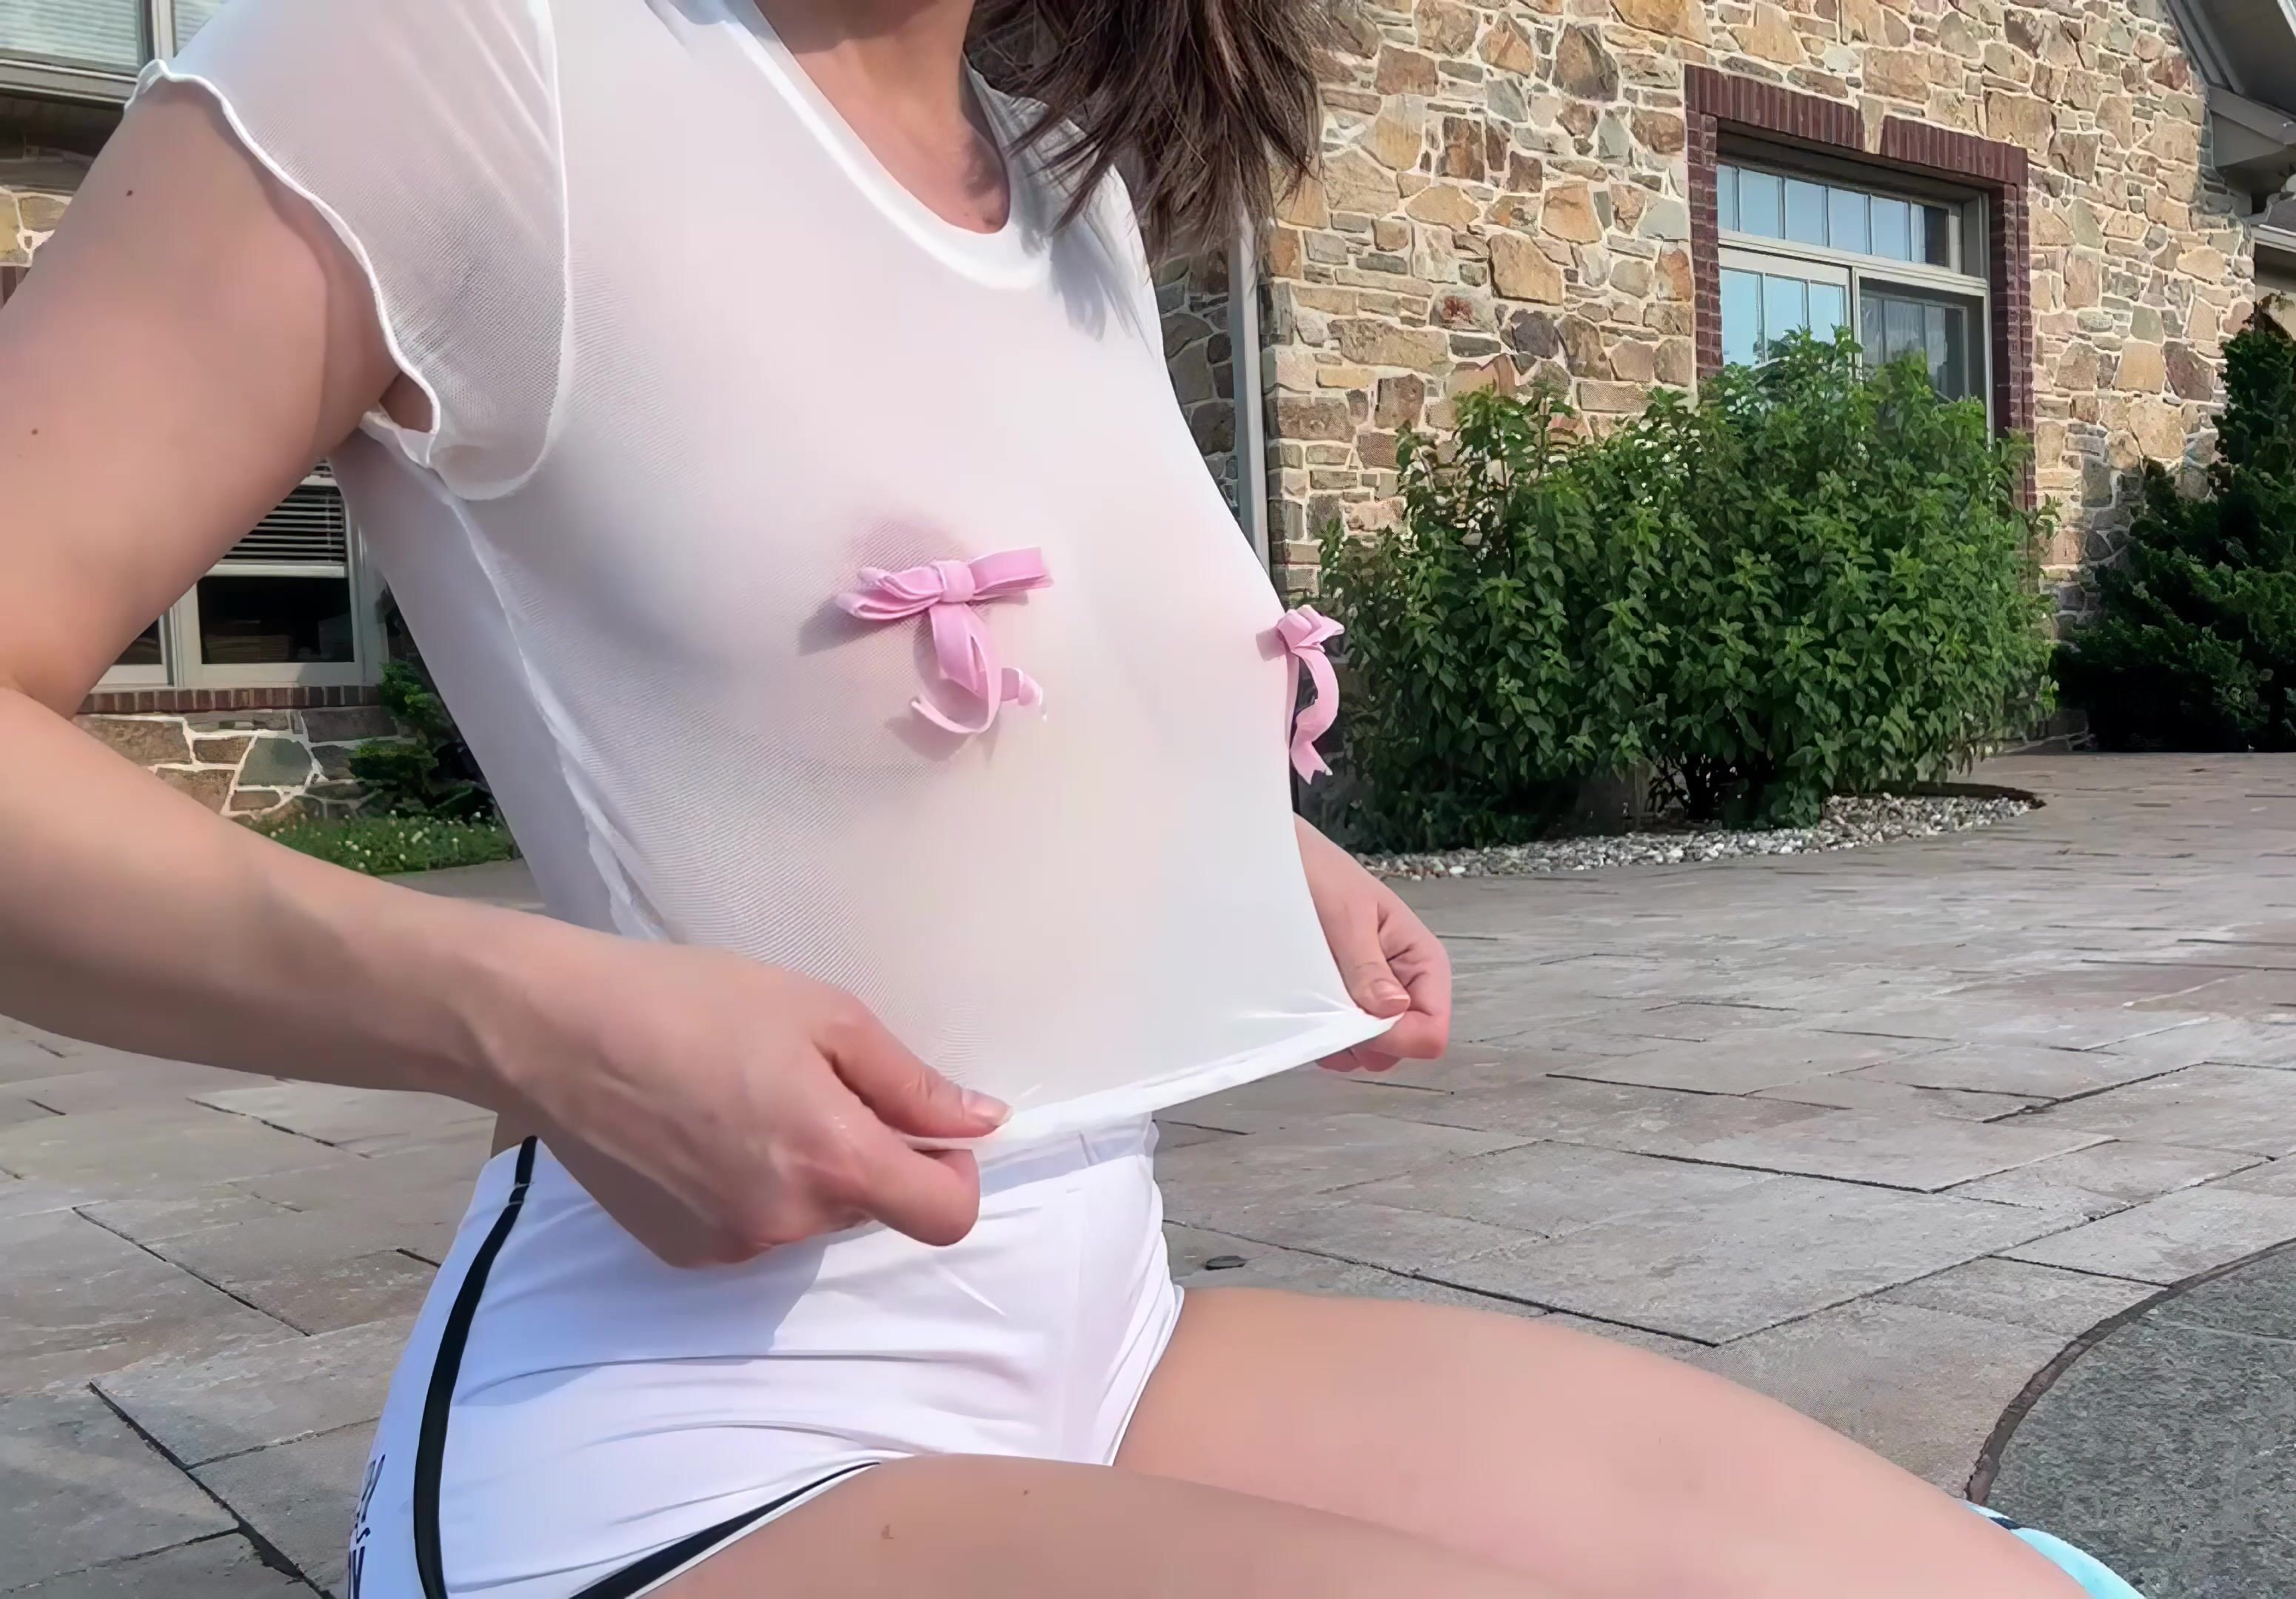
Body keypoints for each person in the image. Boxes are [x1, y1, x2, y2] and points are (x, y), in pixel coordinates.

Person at [0, 1, 2137, 1595]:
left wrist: (1249, 842)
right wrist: (529, 1016)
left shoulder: (1059, 170)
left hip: (1107, 1338)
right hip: (680, 1452)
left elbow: (924, 710)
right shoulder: (445, 62)